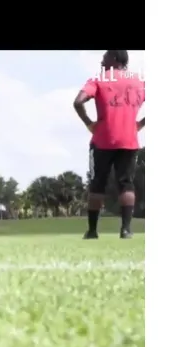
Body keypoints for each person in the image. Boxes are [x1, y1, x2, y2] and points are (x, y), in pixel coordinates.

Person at [73, 50, 145, 240]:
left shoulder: (98, 79)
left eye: (104, 58)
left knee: (98, 184)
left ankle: (92, 231)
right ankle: (126, 230)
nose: (101, 61)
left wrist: (89, 123)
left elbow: (78, 102)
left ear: (114, 59)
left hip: (102, 139)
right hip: (129, 139)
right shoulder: (140, 80)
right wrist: (140, 124)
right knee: (126, 183)